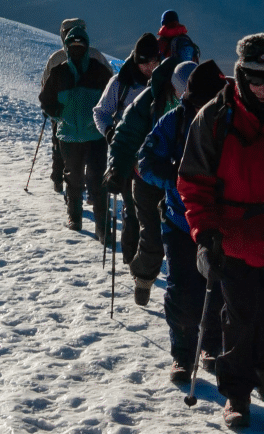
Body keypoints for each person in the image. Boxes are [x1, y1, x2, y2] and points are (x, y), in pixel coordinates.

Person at [178, 33, 264, 428]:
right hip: (232, 237)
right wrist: (204, 236)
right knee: (238, 317)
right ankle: (236, 395)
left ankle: (263, 370)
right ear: (240, 73)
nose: (262, 87)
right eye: (254, 77)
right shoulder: (215, 117)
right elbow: (194, 181)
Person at [138, 60, 227, 383]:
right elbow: (146, 162)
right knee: (182, 291)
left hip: (219, 223)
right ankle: (182, 355)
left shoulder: (230, 121)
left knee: (217, 289)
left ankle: (211, 347)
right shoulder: (173, 122)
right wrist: (176, 180)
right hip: (179, 220)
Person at [109, 59, 197, 306]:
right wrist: (116, 167)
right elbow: (125, 134)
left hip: (182, 185)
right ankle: (143, 279)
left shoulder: (201, 105)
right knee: (151, 237)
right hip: (146, 178)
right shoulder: (150, 100)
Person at [39, 19, 113, 237]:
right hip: (79, 134)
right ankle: (86, 221)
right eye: (74, 45)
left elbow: (112, 97)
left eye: (80, 46)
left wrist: (59, 116)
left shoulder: (69, 69)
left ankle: (94, 223)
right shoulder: (68, 70)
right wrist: (58, 114)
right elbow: (46, 100)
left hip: (83, 134)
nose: (77, 49)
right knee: (77, 178)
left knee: (85, 178)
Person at [95, 33, 161, 265]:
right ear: (135, 59)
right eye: (144, 62)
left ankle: (146, 257)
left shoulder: (164, 84)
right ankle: (133, 260)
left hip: (155, 157)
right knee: (133, 211)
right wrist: (111, 133)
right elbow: (101, 112)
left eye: (154, 62)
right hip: (126, 158)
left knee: (152, 213)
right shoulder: (121, 83)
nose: (149, 68)